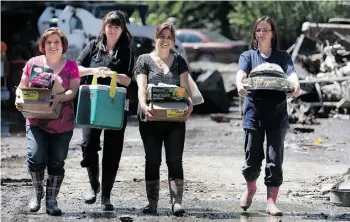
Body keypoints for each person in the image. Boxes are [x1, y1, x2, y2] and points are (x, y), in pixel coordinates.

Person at [235, 16, 300, 216]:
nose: (261, 33)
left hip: (277, 114)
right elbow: (241, 74)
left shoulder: (282, 57)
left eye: (265, 30)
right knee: (252, 158)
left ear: (273, 34)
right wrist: (240, 84)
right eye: (258, 30)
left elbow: (291, 75)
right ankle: (251, 187)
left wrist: (295, 85)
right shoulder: (248, 56)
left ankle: (271, 201)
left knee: (275, 159)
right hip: (253, 113)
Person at [15, 27, 80, 216]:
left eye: (56, 42)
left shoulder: (71, 67)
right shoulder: (33, 63)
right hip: (36, 119)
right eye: (48, 42)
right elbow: (21, 87)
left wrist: (60, 96)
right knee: (35, 157)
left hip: (62, 123)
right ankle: (37, 194)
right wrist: (19, 98)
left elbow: (73, 91)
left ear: (63, 45)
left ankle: (52, 200)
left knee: (57, 161)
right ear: (43, 45)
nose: (52, 45)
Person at [76, 10, 134, 211]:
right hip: (92, 103)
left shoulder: (126, 50)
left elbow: (128, 79)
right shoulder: (93, 46)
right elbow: (75, 69)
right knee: (88, 143)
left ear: (122, 29)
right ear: (104, 26)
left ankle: (106, 196)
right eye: (110, 25)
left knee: (113, 148)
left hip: (114, 104)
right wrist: (94, 70)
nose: (113, 29)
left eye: (117, 26)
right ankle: (93, 185)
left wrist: (112, 74)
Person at [134, 21, 193, 216]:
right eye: (162, 36)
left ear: (173, 40)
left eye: (169, 37)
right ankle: (152, 203)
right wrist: (143, 105)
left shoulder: (179, 61)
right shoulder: (143, 60)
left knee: (175, 159)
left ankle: (176, 202)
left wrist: (189, 103)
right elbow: (141, 87)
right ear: (156, 38)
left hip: (175, 120)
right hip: (150, 118)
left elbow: (184, 90)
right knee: (152, 160)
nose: (165, 40)